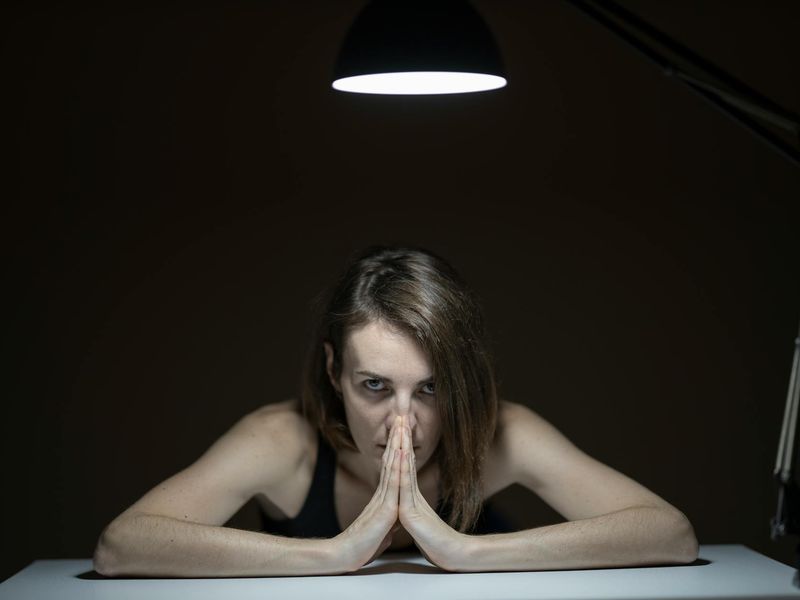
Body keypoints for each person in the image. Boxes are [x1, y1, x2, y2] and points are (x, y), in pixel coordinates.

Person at [92, 244, 699, 577]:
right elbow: (123, 546)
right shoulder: (284, 440)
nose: (402, 421)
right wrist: (336, 553)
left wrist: (466, 551)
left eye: (431, 389)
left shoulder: (501, 433)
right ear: (333, 372)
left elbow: (669, 534)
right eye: (375, 386)